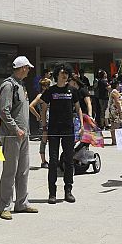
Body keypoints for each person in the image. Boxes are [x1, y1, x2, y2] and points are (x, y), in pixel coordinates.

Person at [0, 56, 38, 220]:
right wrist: (15, 129)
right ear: (23, 68)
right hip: (12, 135)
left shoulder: (21, 85)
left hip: (24, 135)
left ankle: (21, 203)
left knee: (23, 171)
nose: (29, 71)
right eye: (28, 68)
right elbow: (3, 111)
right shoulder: (9, 85)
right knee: (10, 171)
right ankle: (5, 206)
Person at [41, 64, 83, 204]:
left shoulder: (72, 90)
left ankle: (68, 191)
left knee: (69, 161)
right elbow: (43, 109)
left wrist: (82, 126)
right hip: (53, 129)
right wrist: (44, 128)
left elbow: (78, 108)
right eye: (62, 73)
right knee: (53, 161)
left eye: (66, 73)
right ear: (57, 75)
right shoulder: (50, 91)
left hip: (68, 129)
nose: (64, 76)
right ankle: (52, 193)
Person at [28, 78, 51, 167]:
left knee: (52, 140)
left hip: (52, 119)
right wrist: (38, 116)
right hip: (44, 121)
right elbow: (31, 106)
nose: (49, 87)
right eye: (47, 85)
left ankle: (52, 159)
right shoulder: (40, 96)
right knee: (44, 140)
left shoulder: (51, 94)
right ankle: (43, 160)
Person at [107, 76, 122, 146]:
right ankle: (115, 140)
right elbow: (117, 102)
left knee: (113, 125)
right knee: (116, 126)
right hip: (116, 111)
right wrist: (120, 111)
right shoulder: (115, 92)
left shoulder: (113, 91)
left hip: (113, 110)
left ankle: (114, 140)